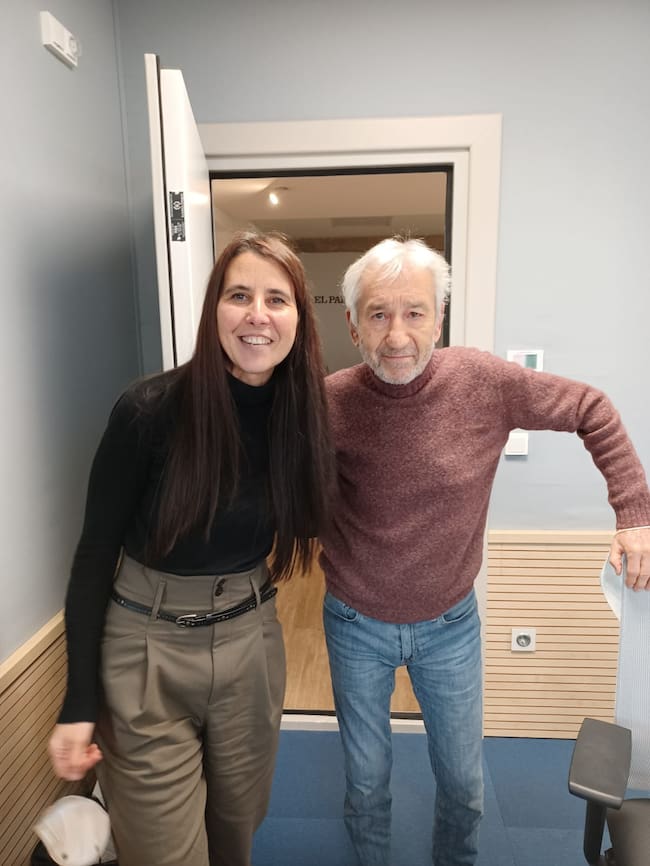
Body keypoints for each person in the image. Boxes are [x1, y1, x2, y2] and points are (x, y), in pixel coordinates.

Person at [319, 237, 650, 866]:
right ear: (353, 323)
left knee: (466, 787)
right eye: (379, 314)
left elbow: (592, 409)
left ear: (439, 318)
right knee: (365, 785)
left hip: (450, 625)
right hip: (353, 622)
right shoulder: (328, 401)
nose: (396, 335)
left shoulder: (484, 382)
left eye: (414, 313)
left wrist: (635, 514)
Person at [48, 231, 334, 866]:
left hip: (250, 644)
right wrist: (78, 702)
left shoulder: (303, 418)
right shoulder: (148, 411)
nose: (258, 315)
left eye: (277, 299)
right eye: (239, 295)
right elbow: (95, 553)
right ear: (214, 311)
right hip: (145, 648)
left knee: (236, 831)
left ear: (299, 319)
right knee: (166, 852)